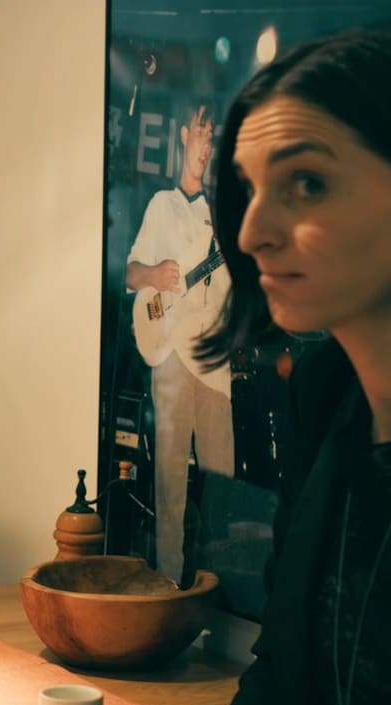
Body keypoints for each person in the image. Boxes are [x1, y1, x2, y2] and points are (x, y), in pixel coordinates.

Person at [164, 28, 391, 705]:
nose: (252, 230)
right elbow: (286, 657)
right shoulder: (327, 397)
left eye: (306, 182)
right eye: (247, 188)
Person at [126, 98, 235, 584]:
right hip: (170, 355)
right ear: (183, 136)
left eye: (212, 136)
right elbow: (131, 275)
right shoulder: (160, 205)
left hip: (214, 361)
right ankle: (168, 586)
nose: (206, 145)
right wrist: (155, 274)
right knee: (170, 484)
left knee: (222, 482)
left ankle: (218, 588)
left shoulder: (223, 216)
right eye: (200, 132)